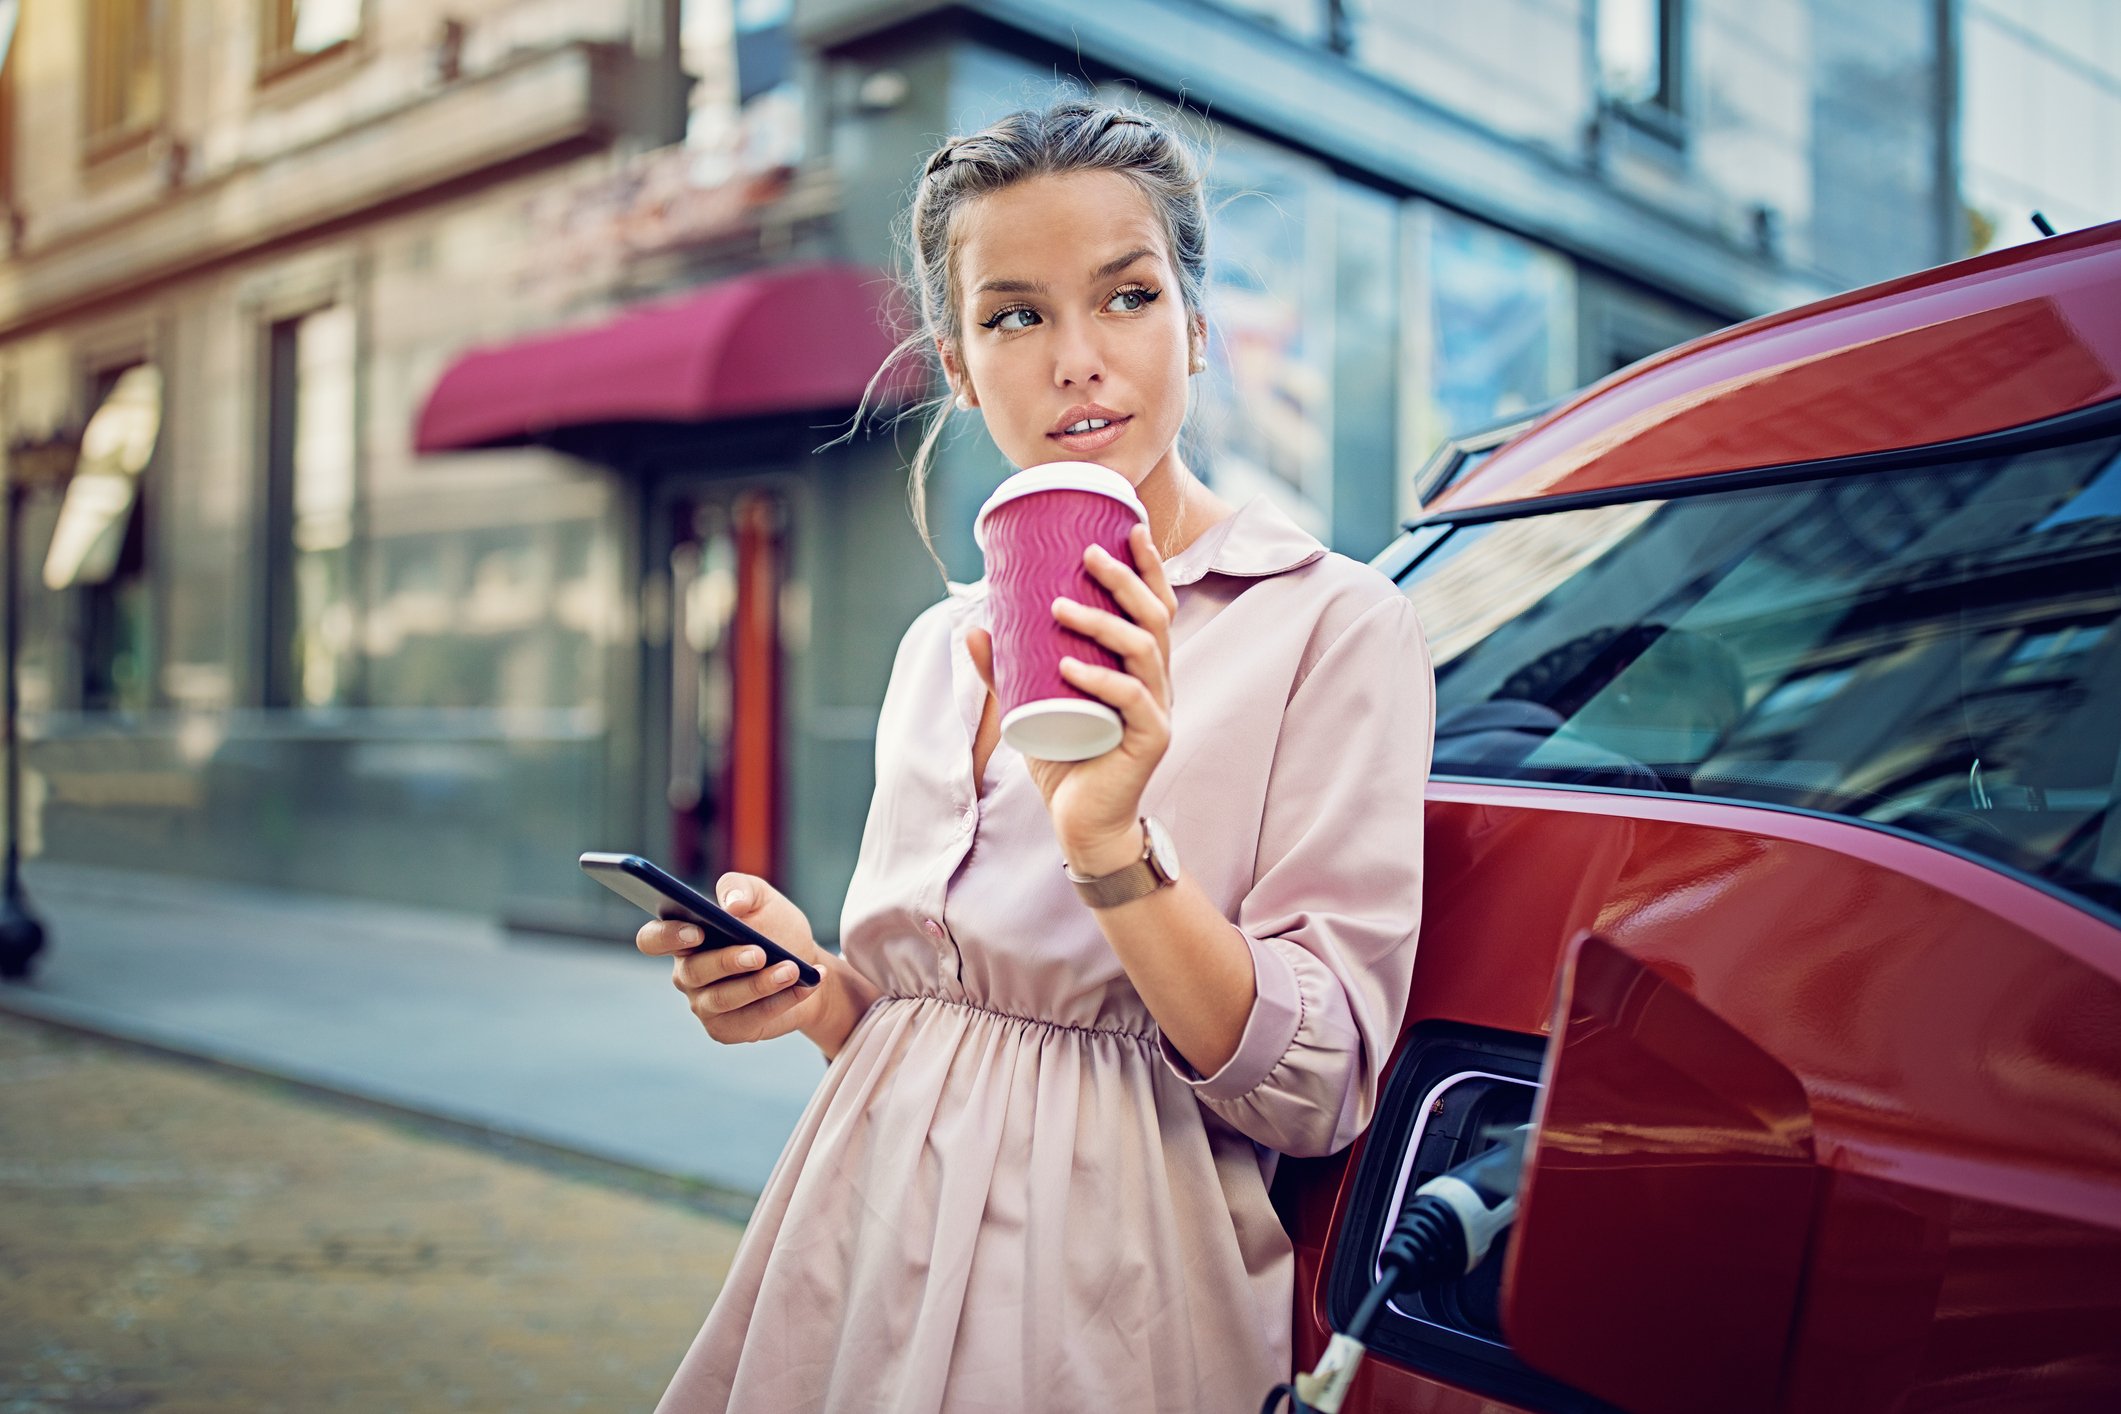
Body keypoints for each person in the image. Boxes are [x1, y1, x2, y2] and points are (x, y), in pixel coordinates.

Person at [638, 97, 1435, 1413]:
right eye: (1014, 314)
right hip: (853, 1225)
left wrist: (1109, 851)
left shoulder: (1330, 625)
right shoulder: (932, 645)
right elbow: (922, 1023)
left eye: (1124, 297)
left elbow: (1325, 1084)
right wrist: (809, 989)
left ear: (1192, 324)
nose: (1076, 357)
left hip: (1107, 1271)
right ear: (955, 363)